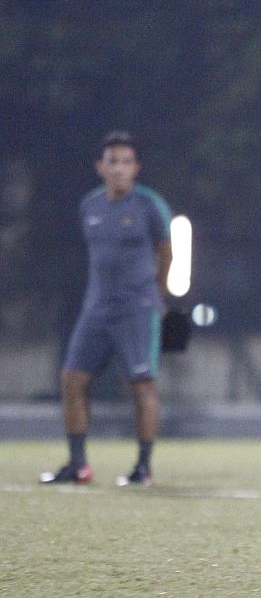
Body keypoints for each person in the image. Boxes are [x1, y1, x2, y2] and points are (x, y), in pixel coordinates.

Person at [41, 130, 172, 487]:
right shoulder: (90, 206)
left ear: (136, 167)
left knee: (142, 383)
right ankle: (78, 464)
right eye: (112, 161)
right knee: (72, 379)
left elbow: (166, 252)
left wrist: (156, 294)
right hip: (96, 307)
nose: (119, 168)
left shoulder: (149, 205)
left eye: (126, 162)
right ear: (100, 166)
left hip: (136, 308)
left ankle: (143, 467)